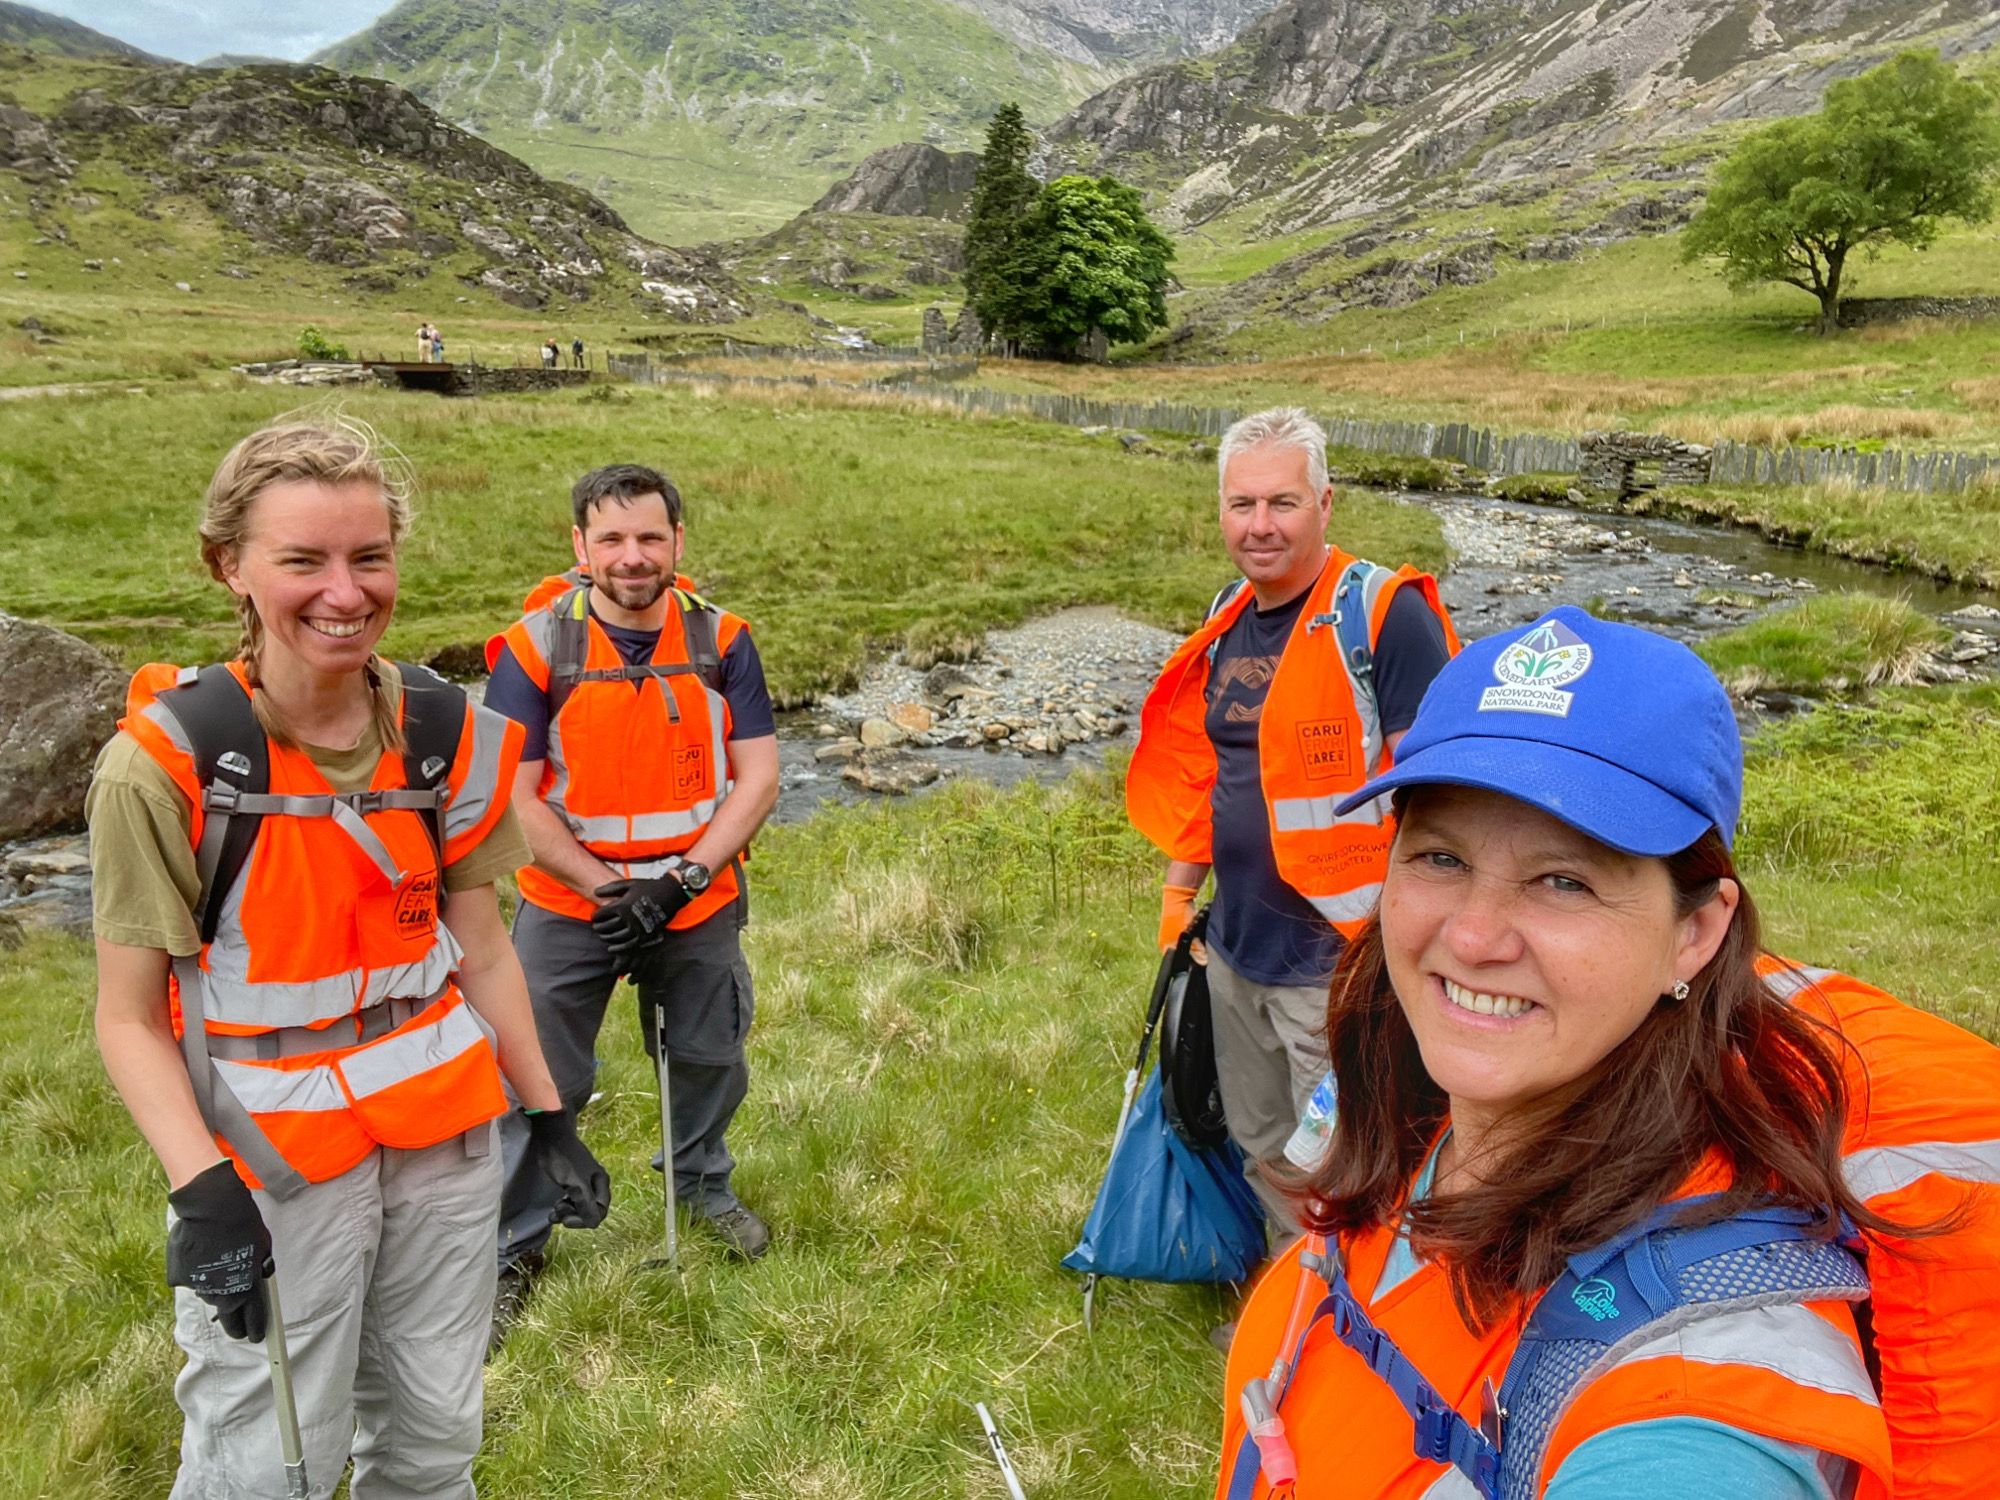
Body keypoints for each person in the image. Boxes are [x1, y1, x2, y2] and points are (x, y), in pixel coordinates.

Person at [1216, 606, 2000, 1500]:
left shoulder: (1694, 1390)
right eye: (1439, 857)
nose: (1472, 937)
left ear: (1696, 933)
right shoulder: (1429, 1100)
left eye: (1564, 880)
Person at [87, 417, 608, 1497]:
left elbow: (480, 943)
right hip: (270, 1165)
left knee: (432, 1431)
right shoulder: (164, 766)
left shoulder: (443, 731)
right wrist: (203, 1193)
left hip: (447, 1141)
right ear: (229, 565)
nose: (345, 591)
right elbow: (128, 1017)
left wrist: (546, 1110)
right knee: (268, 1456)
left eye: (369, 557)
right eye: (303, 560)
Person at [1126, 406, 1459, 1242]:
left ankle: (1345, 1320)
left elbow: (1437, 799)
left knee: (1345, 1158)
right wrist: (1178, 899)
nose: (1260, 526)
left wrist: (1410, 945)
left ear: (1325, 503)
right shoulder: (1226, 614)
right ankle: (1285, 1303)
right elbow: (1216, 776)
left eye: (1282, 503)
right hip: (1236, 952)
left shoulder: (1382, 614)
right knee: (1263, 1143)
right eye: (1242, 505)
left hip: (1339, 961)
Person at [482, 462, 781, 1346]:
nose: (632, 556)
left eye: (650, 537)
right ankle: (516, 1245)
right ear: (580, 547)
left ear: (678, 543)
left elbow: (758, 776)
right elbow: (518, 797)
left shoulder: (724, 639)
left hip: (694, 897)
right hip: (572, 902)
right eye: (610, 538)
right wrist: (607, 889)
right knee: (540, 1076)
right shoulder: (533, 648)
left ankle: (702, 1188)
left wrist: (680, 880)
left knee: (707, 1056)